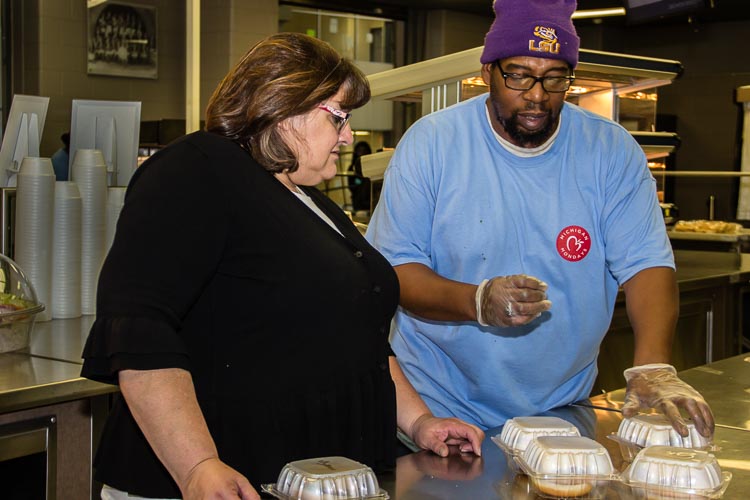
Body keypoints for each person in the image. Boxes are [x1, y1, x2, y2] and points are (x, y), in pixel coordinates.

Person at [81, 33, 483, 500]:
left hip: (318, 476)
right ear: (282, 105)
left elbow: (358, 339)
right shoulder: (196, 169)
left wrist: (420, 422)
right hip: (220, 481)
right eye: (339, 117)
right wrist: (198, 465)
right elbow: (140, 332)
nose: (349, 136)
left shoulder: (309, 201)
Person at [366, 0, 714, 439]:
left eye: (554, 78)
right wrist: (476, 301)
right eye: (519, 75)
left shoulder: (609, 150)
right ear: (488, 69)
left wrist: (652, 367)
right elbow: (395, 271)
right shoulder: (433, 144)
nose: (536, 94)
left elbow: (646, 264)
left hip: (560, 410)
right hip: (439, 407)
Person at [347, 140, 372, 212]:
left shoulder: (372, 167)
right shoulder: (352, 168)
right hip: (358, 201)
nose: (362, 153)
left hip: (370, 201)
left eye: (364, 151)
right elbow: (351, 185)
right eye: (360, 151)